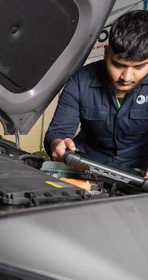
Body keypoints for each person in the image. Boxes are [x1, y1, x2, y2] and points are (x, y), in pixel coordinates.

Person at [44, 10, 148, 172]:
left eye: (138, 67)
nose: (126, 77)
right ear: (106, 54)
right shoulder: (80, 81)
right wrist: (57, 143)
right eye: (118, 64)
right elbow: (59, 131)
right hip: (86, 168)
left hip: (138, 174)